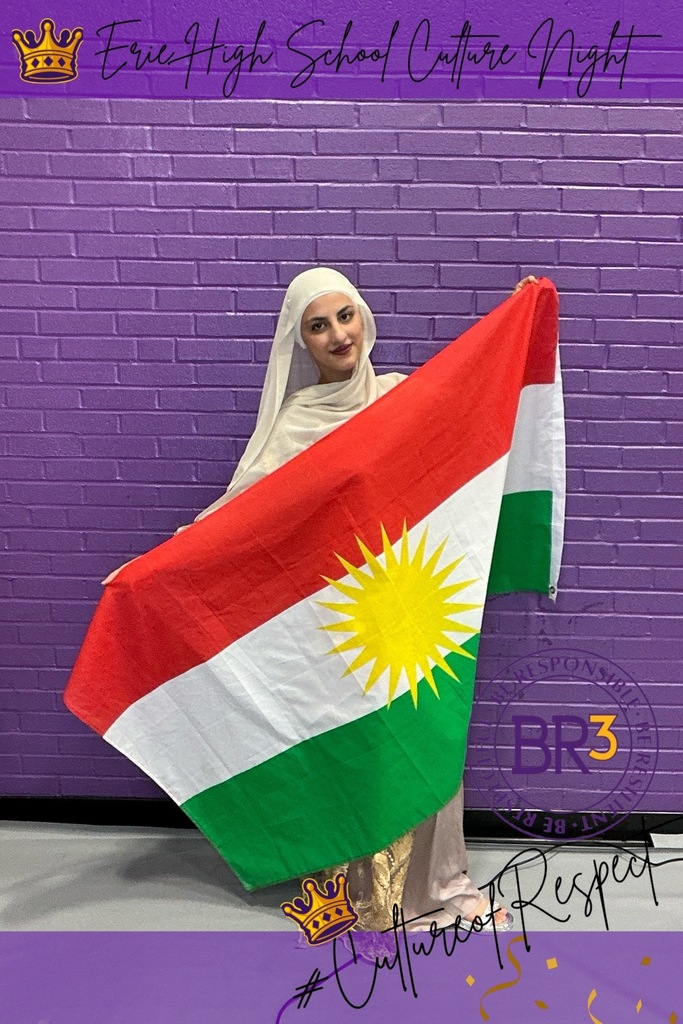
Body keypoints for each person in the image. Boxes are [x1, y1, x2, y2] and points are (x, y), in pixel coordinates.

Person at [102, 266, 538, 933]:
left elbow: (478, 404)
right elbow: (237, 518)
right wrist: (153, 569)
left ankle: (428, 884)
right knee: (359, 754)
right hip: (336, 628)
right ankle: (367, 893)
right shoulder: (295, 425)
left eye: (345, 316)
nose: (337, 334)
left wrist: (517, 320)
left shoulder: (403, 399)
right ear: (300, 342)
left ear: (364, 319)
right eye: (318, 324)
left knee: (421, 743)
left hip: (407, 617)